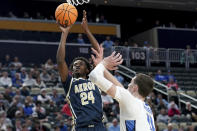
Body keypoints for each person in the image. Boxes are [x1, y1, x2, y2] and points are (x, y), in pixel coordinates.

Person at [56, 10, 106, 130]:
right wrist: (64, 34)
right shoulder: (69, 82)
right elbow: (60, 61)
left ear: (88, 69)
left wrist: (87, 31)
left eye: (80, 64)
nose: (76, 66)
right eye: (74, 65)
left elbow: (99, 53)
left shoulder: (95, 79)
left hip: (99, 126)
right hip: (81, 127)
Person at [89, 46, 155, 131]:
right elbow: (121, 89)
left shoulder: (130, 100)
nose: (128, 85)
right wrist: (102, 67)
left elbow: (94, 76)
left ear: (135, 88)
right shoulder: (146, 108)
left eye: (131, 82)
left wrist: (103, 63)